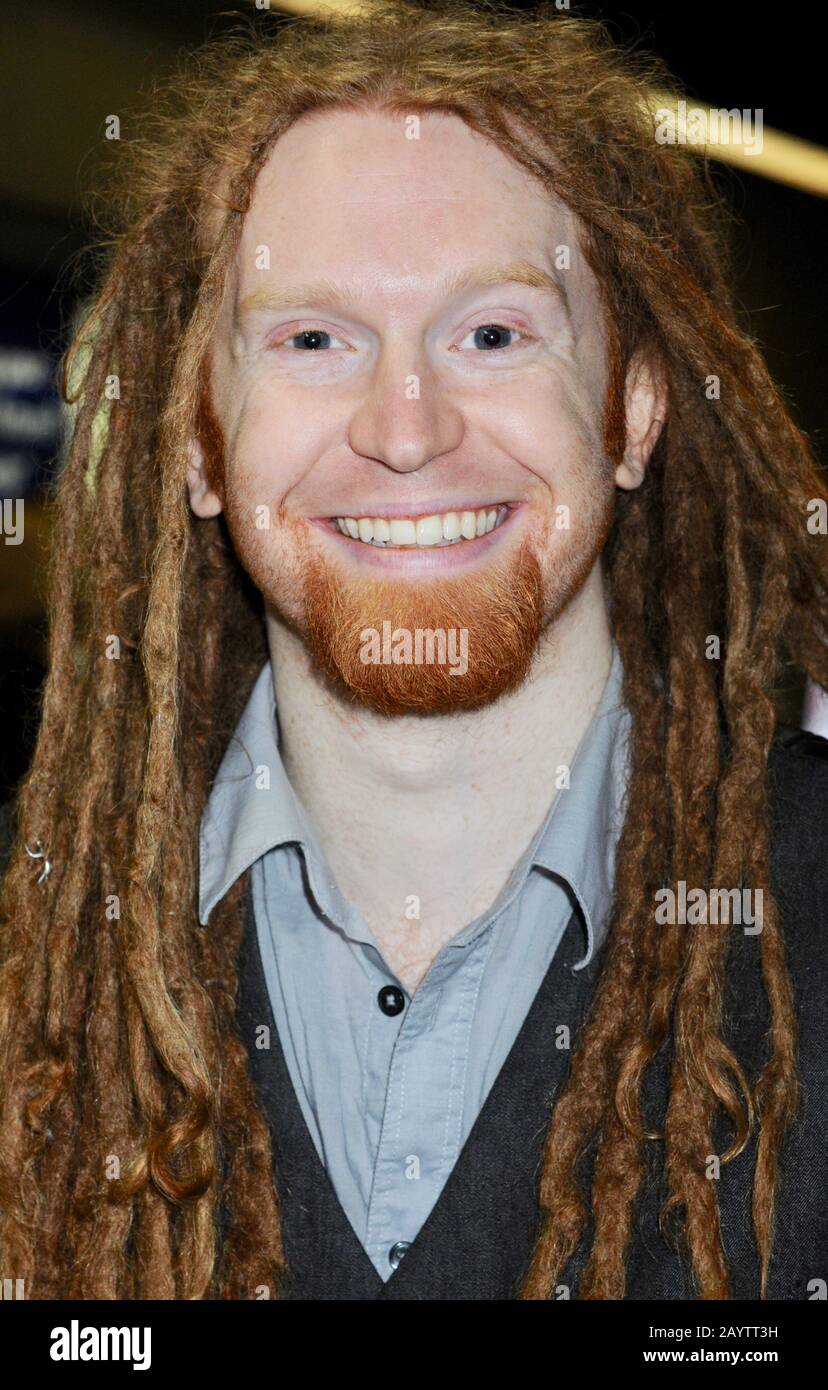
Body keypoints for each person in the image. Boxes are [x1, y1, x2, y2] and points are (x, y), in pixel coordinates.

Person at [1, 0, 826, 1301]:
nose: (404, 425)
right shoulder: (35, 953)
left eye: (492, 332)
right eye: (313, 339)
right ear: (204, 442)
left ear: (634, 410)